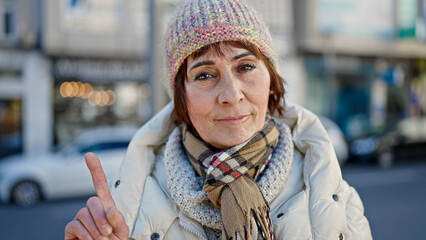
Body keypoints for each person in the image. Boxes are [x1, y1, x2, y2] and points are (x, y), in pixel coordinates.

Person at [65, 0, 373, 239]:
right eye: (204, 75)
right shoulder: (130, 207)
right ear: (181, 97)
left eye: (245, 67)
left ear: (271, 80)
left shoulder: (334, 200)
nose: (231, 94)